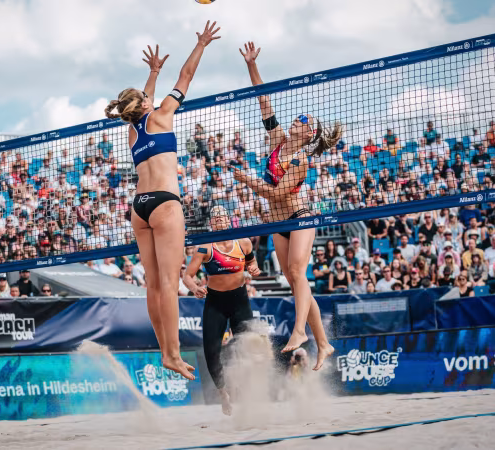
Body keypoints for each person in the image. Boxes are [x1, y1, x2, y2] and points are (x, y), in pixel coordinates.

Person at [103, 22, 220, 381]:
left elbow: (141, 99)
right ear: (144, 104)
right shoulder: (162, 115)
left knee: (154, 285)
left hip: (140, 206)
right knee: (170, 284)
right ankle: (171, 353)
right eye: (146, 96)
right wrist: (201, 43)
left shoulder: (132, 130)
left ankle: (164, 350)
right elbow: (186, 74)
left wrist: (152, 73)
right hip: (166, 204)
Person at [232, 41, 339, 370]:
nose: (297, 119)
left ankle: (299, 333)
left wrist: (247, 180)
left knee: (296, 272)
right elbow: (264, 101)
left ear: (309, 134)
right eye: (298, 116)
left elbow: (277, 194)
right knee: (295, 281)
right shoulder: (279, 141)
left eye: (304, 119)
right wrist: (251, 65)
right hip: (278, 222)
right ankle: (324, 343)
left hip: (299, 216)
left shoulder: (303, 159)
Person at [182, 206, 261, 415]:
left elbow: (254, 264)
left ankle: (246, 389)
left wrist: (254, 269)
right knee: (211, 351)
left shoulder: (243, 242)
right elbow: (187, 276)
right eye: (215, 217)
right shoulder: (205, 247)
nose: (218, 220)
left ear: (228, 220)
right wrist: (194, 288)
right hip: (215, 302)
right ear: (211, 223)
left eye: (222, 216)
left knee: (248, 347)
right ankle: (223, 394)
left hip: (240, 300)